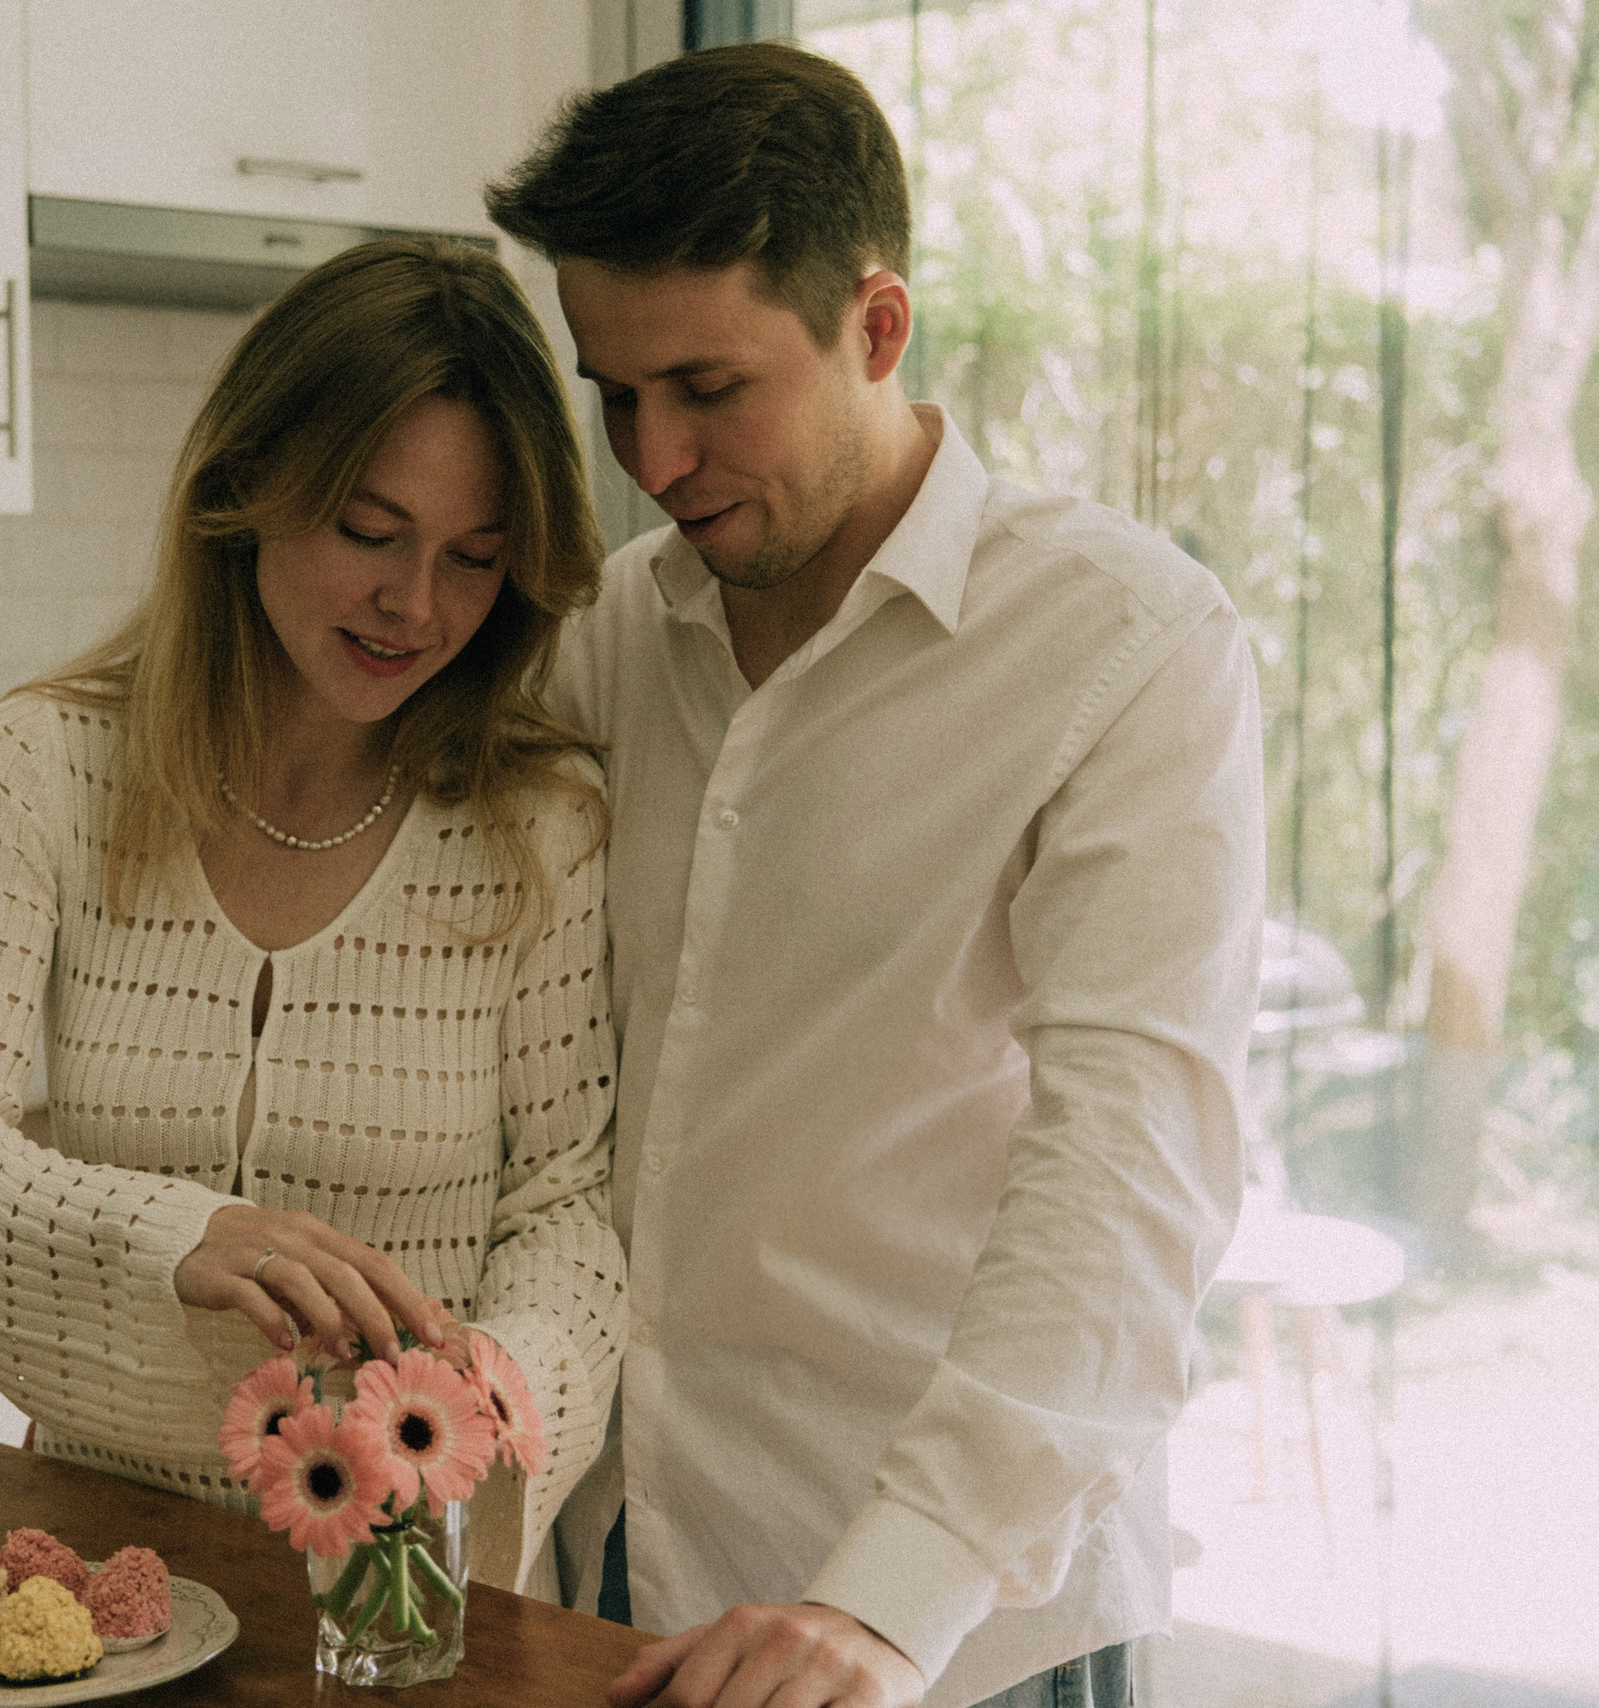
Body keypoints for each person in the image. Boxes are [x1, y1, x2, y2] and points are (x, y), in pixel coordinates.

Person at [484, 42, 1262, 1708]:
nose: (653, 457)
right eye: (613, 394)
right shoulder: (612, 635)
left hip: (952, 1622)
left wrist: (891, 1605)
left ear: (878, 327)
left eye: (709, 388)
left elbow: (1129, 1174)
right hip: (626, 1556)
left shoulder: (1124, 643)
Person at [0, 237, 627, 1593]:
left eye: (474, 558)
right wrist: (188, 1233)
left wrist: (494, 1398)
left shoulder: (539, 821)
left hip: (408, 1597)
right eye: (369, 533)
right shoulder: (46, 762)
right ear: (246, 486)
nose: (416, 605)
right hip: (106, 1592)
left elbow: (566, 1206)